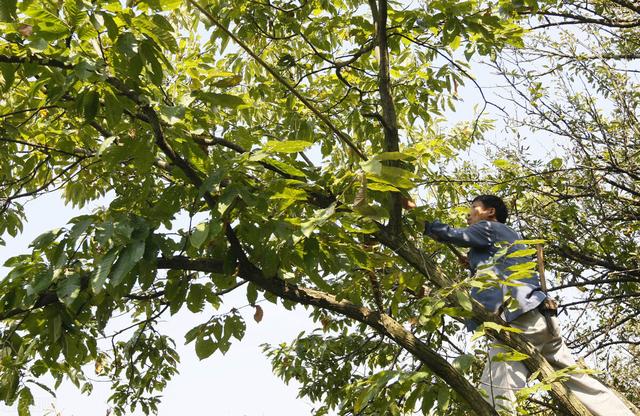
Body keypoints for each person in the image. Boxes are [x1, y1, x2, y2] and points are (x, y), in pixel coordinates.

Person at [423, 195, 634, 415]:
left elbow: (454, 235)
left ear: (490, 212)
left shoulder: (488, 228)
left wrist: (424, 223)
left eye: (474, 208)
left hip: (517, 320)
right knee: (577, 380)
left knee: (497, 392)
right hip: (542, 321)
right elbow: (498, 264)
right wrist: (475, 261)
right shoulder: (508, 237)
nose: (469, 214)